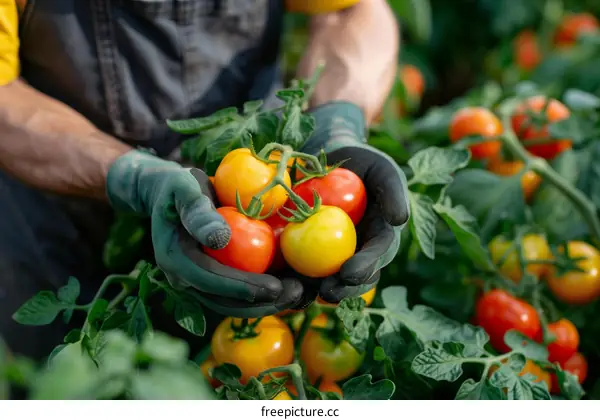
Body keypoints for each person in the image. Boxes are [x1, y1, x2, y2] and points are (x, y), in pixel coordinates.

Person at [0, 0, 409, 360]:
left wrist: (337, 122)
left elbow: (347, 11)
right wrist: (134, 178)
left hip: (261, 231)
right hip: (64, 233)